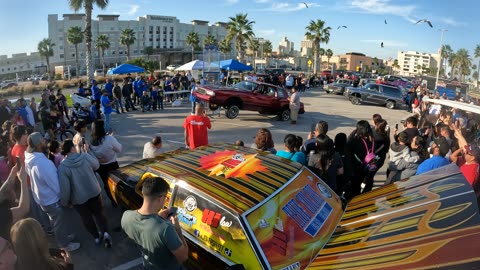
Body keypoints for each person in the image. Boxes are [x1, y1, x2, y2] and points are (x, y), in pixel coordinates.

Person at [24, 132, 80, 251]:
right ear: (39, 144)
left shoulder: (29, 158)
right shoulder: (43, 163)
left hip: (42, 198)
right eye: (43, 141)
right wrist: (66, 199)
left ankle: (63, 237)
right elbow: (56, 185)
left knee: (55, 221)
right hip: (51, 199)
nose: (46, 142)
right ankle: (64, 245)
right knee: (59, 222)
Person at [121, 176, 188, 269]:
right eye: (166, 197)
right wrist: (177, 228)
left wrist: (157, 218)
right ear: (160, 198)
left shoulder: (126, 216)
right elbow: (184, 256)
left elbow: (141, 233)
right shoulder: (166, 228)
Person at [58, 140, 112, 247]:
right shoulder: (84, 156)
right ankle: (105, 233)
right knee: (99, 213)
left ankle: (96, 237)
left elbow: (65, 188)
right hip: (94, 191)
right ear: (72, 149)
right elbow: (96, 165)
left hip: (79, 199)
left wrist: (65, 202)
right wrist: (88, 153)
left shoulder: (63, 168)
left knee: (86, 219)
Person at [89, 120, 122, 207]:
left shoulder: (91, 141)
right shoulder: (109, 139)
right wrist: (111, 138)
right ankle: (120, 199)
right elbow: (119, 149)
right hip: (112, 165)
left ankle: (113, 201)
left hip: (100, 167)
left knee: (106, 184)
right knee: (117, 182)